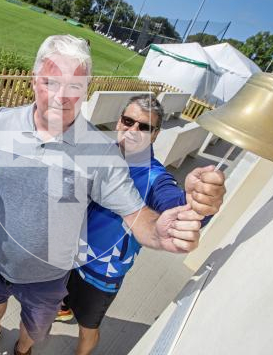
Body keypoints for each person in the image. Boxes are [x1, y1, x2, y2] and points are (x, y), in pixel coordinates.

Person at [0, 35, 225, 355]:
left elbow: (144, 213)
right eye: (52, 82)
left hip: (66, 275)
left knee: (46, 329)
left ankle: (23, 351)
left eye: (75, 86)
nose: (61, 96)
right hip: (6, 259)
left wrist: (179, 217)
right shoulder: (4, 122)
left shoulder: (115, 160)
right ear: (35, 79)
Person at [57, 95, 222, 354]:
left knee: (88, 327)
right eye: (128, 121)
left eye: (144, 127)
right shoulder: (103, 153)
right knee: (61, 295)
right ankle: (64, 307)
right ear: (119, 121)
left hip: (102, 272)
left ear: (155, 135)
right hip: (70, 254)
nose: (134, 130)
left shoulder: (153, 177)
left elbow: (172, 202)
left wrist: (197, 202)